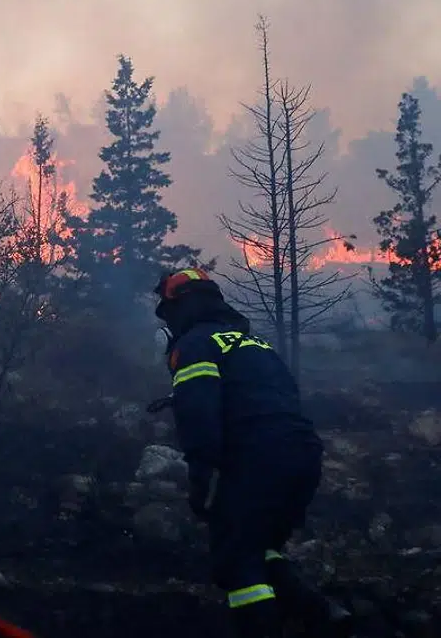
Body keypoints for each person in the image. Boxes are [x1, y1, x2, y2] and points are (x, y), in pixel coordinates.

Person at [154, 268, 352, 638]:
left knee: (235, 562)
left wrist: (201, 477)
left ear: (178, 309)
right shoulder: (256, 345)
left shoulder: (196, 344)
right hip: (303, 457)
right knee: (260, 544)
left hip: (257, 460)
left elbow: (199, 413)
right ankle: (322, 614)